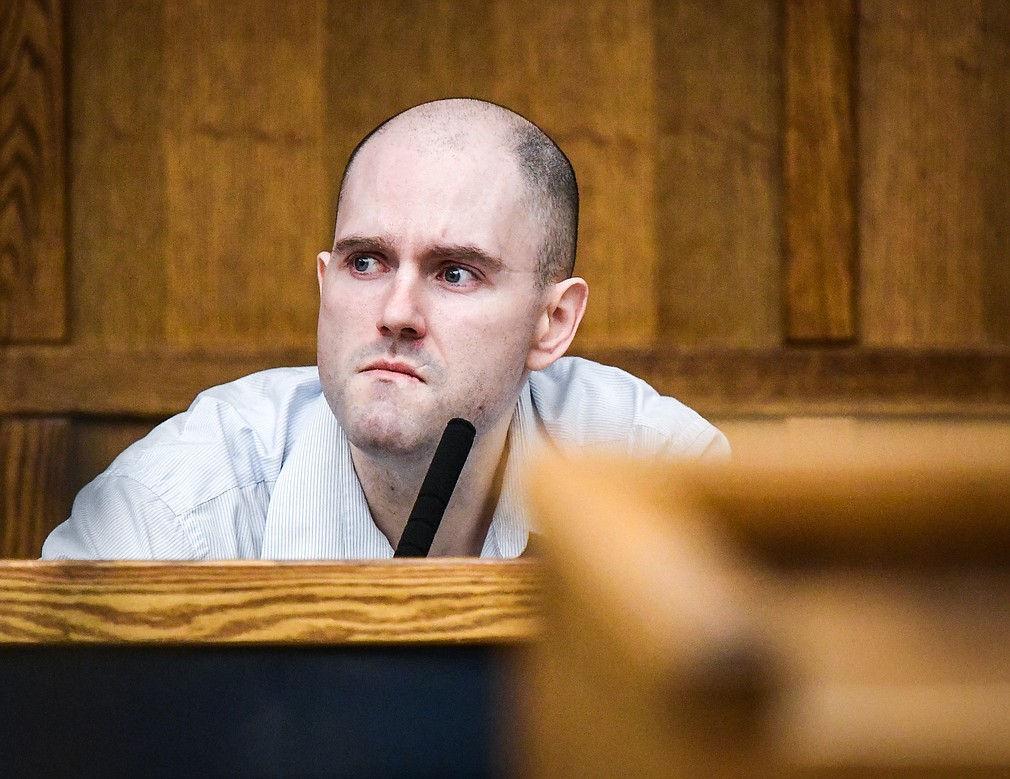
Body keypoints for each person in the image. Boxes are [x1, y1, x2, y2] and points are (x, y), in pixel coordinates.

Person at [42, 98, 728, 560]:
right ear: (324, 284)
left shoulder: (663, 480)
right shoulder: (168, 514)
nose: (396, 312)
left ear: (552, 323)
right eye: (365, 262)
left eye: (455, 272)